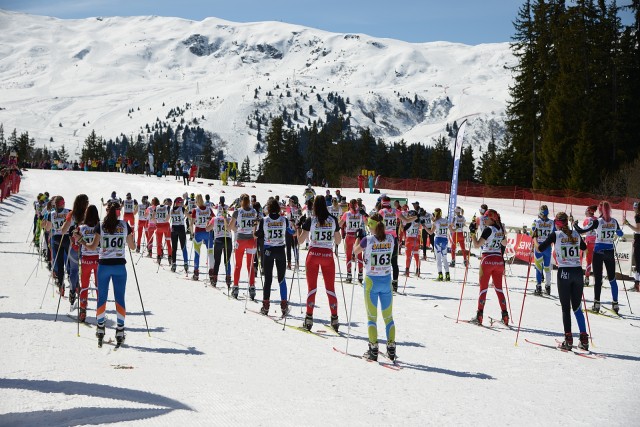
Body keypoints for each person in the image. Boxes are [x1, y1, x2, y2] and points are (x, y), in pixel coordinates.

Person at [79, 200, 135, 347]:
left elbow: (92, 247)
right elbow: (133, 247)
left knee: (102, 297)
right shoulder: (124, 225)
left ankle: (101, 327)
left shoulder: (101, 225)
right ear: (118, 212)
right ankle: (120, 329)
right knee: (119, 298)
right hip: (119, 266)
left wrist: (81, 241)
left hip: (103, 266)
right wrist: (129, 236)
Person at [533, 212, 590, 349]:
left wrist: (534, 238)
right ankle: (584, 339)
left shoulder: (556, 235)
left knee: (566, 308)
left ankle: (568, 340)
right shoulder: (575, 234)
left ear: (557, 223)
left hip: (564, 272)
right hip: (577, 272)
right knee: (577, 307)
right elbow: (584, 248)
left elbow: (540, 249)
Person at [352, 213, 397, 361]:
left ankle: (373, 348)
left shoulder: (368, 239)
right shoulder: (391, 238)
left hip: (371, 281)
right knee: (388, 317)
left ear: (371, 226)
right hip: (386, 281)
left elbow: (355, 251)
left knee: (372, 318)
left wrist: (358, 237)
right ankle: (391, 347)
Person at [297, 195, 342, 331]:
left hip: (313, 255)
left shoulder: (311, 219)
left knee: (312, 288)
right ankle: (334, 319)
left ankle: (309, 318)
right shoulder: (333, 219)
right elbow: (339, 241)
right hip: (327, 255)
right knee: (330, 288)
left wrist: (298, 227)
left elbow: (300, 241)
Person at [574, 201, 624, 313]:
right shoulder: (614, 221)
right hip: (610, 251)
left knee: (598, 279)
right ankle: (615, 304)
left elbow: (582, 231)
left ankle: (596, 304)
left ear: (600, 210)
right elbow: (620, 234)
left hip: (598, 251)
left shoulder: (598, 222)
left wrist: (574, 224)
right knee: (612, 278)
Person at [469, 209, 509, 325]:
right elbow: (505, 243)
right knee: (499, 289)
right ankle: (505, 315)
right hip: (499, 261)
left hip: (487, 259)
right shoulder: (499, 229)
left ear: (492, 219)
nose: (484, 220)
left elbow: (477, 245)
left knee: (483, 288)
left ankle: (479, 315)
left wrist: (472, 233)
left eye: (486, 218)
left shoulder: (488, 229)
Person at [254, 198, 293, 316]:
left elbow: (257, 235)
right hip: (281, 250)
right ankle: (284, 305)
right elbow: (291, 232)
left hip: (268, 251)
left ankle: (266, 305)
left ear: (269, 209)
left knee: (268, 279)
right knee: (281, 278)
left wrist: (254, 228)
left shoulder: (264, 220)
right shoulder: (284, 220)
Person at [379, 196, 414, 291]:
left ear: (382, 203)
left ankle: (384, 283)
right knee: (394, 262)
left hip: (384, 239)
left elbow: (375, 223)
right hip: (394, 238)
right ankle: (395, 283)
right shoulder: (395, 211)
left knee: (383, 261)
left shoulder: (382, 212)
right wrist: (415, 217)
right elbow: (406, 221)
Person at [61, 194, 90, 309]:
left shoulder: (71, 214)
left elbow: (63, 230)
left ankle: (73, 290)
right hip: (86, 246)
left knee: (73, 270)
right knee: (85, 271)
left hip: (73, 246)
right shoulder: (88, 214)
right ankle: (82, 296)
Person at [229, 194, 258, 299]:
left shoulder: (238, 211)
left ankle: (236, 287)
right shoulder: (253, 211)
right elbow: (256, 227)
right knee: (250, 266)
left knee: (238, 265)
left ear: (241, 201)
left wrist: (236, 228)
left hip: (240, 240)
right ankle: (252, 287)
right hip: (251, 240)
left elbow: (229, 228)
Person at [75, 204, 100, 323]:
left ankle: (83, 311)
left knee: (84, 286)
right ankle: (100, 311)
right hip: (98, 260)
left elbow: (76, 242)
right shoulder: (100, 227)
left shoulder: (82, 227)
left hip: (86, 260)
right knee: (99, 286)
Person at [44, 196, 70, 295]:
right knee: (69, 260)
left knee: (59, 263)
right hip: (67, 237)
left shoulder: (51, 214)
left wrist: (49, 226)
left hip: (57, 238)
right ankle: (73, 283)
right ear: (63, 203)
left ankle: (61, 285)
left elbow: (47, 228)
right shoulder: (68, 212)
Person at [340, 199, 367, 283]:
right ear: (357, 205)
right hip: (357, 236)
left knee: (348, 256)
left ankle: (349, 275)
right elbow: (367, 223)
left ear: (349, 206)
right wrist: (365, 215)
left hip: (349, 236)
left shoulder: (347, 214)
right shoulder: (360, 213)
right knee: (359, 256)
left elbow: (340, 224)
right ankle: (360, 275)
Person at [205, 205, 232, 288]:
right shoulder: (229, 219)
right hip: (227, 240)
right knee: (227, 261)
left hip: (218, 240)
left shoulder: (215, 219)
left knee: (217, 261)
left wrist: (207, 222)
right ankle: (228, 278)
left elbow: (207, 229)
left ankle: (215, 279)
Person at [532, 205, 555, 296]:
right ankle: (548, 287)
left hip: (538, 246)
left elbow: (532, 233)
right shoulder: (552, 222)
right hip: (547, 247)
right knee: (547, 268)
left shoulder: (536, 222)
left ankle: (538, 287)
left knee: (538, 268)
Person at [190, 194, 214, 281]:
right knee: (210, 252)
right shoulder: (208, 209)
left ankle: (196, 272)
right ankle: (211, 271)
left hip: (198, 232)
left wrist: (192, 234)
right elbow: (214, 219)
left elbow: (191, 224)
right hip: (208, 232)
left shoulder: (195, 210)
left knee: (197, 253)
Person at [429, 208, 450, 281]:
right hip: (445, 239)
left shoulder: (435, 222)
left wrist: (424, 226)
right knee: (444, 257)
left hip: (438, 239)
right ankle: (447, 274)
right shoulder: (446, 221)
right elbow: (452, 230)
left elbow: (431, 232)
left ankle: (440, 274)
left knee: (438, 258)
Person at [624, 202, 640, 291]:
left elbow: (638, 229)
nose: (634, 209)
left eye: (635, 208)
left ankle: (637, 284)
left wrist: (628, 224)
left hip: (639, 239)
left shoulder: (638, 216)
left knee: (637, 261)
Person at [170, 197, 189, 273]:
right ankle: (185, 263)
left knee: (174, 248)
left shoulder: (172, 210)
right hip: (181, 228)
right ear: (177, 202)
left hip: (174, 228)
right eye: (180, 202)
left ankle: (174, 264)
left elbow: (169, 218)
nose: (181, 204)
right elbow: (189, 216)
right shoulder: (182, 209)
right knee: (183, 247)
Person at [582, 205, 598, 286]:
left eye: (586, 211)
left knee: (588, 261)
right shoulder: (597, 219)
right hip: (597, 243)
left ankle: (587, 278)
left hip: (589, 243)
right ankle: (599, 279)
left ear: (589, 211)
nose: (585, 212)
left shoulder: (586, 220)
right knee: (597, 261)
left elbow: (583, 231)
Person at [403, 206, 422, 276]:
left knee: (408, 256)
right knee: (416, 255)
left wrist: (401, 226)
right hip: (416, 239)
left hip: (409, 239)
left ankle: (407, 271)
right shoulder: (418, 222)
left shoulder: (409, 222)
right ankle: (418, 270)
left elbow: (403, 229)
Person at [152, 198, 172, 264]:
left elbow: (152, 217)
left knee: (159, 243)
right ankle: (170, 256)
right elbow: (169, 217)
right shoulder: (168, 207)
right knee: (168, 242)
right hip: (166, 226)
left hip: (159, 226)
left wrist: (156, 223)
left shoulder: (157, 207)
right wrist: (165, 221)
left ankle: (158, 256)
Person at [285, 196, 302, 270]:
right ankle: (296, 264)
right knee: (294, 247)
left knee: (290, 247)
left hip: (290, 229)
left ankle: (290, 264)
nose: (289, 202)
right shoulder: (298, 209)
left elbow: (283, 209)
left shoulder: (290, 208)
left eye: (290, 201)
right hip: (296, 229)